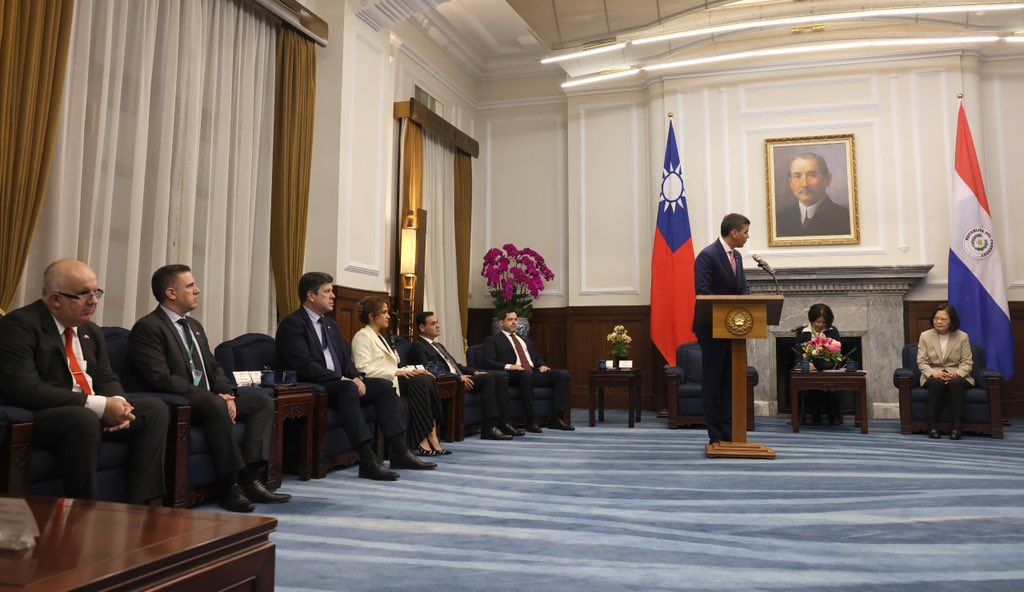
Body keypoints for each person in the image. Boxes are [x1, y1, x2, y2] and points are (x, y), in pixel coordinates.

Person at [0, 259, 167, 504]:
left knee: (155, 410)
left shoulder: (90, 330)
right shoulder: (19, 326)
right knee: (83, 419)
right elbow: (26, 389)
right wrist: (99, 406)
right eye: (83, 294)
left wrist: (118, 403)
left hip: (87, 409)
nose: (94, 301)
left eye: (95, 292)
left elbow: (106, 376)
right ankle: (85, 511)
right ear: (56, 299)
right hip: (46, 413)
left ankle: (143, 506)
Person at [128, 264, 290, 512]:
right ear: (171, 293)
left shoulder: (194, 326)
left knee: (261, 401)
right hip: (179, 401)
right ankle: (230, 487)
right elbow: (159, 377)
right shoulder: (148, 327)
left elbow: (213, 366)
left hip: (210, 399)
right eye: (190, 285)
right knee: (215, 404)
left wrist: (228, 393)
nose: (197, 290)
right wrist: (214, 398)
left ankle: (251, 476)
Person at [275, 272, 435, 477]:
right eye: (327, 291)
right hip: (314, 384)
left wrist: (356, 376)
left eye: (332, 291)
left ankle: (400, 452)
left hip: (340, 383)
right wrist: (344, 379)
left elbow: (345, 359)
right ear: (311, 296)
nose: (333, 295)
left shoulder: (331, 325)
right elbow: (305, 365)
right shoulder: (292, 324)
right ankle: (367, 460)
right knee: (349, 387)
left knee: (383, 386)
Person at [351, 295, 447, 456]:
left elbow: (393, 364)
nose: (388, 316)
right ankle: (424, 437)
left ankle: (430, 434)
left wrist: (411, 370)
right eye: (384, 312)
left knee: (426, 377)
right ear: (371, 317)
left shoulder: (380, 336)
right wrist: (397, 372)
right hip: (381, 382)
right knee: (423, 381)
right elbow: (363, 369)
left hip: (393, 378)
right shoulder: (362, 337)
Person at [409, 311, 523, 441]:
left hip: (459, 378)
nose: (438, 326)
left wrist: (474, 372)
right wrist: (458, 377)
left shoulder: (438, 345)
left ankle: (502, 423)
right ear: (422, 328)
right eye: (433, 323)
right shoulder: (418, 347)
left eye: (438, 322)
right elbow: (428, 370)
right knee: (488, 378)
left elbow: (456, 365)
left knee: (498, 376)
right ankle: (489, 428)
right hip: (449, 382)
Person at [694, 213, 751, 445]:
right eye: (745, 232)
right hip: (712, 329)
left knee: (730, 384)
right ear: (734, 232)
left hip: (735, 332)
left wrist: (746, 305)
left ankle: (730, 433)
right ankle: (715, 435)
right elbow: (704, 293)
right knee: (713, 384)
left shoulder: (737, 256)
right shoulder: (707, 256)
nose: (748, 237)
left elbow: (743, 288)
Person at [481, 309, 574, 432]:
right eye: (510, 319)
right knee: (526, 375)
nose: (514, 322)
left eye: (515, 319)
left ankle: (556, 419)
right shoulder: (493, 340)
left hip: (532, 372)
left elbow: (536, 357)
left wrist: (542, 365)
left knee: (562, 374)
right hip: (512, 375)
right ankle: (531, 421)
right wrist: (510, 366)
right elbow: (488, 362)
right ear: (501, 323)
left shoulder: (525, 339)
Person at [917, 303, 973, 441]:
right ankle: (932, 426)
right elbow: (922, 362)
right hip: (933, 373)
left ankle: (957, 426)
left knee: (955, 383)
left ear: (952, 321)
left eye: (943, 319)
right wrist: (934, 373)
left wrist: (956, 374)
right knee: (936, 383)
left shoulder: (962, 337)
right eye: (936, 318)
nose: (938, 322)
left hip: (956, 374)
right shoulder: (925, 336)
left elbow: (967, 363)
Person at [776, 153, 851, 237]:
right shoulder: (779, 219)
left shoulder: (846, 218)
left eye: (812, 175)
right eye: (797, 176)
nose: (804, 184)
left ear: (828, 180)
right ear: (791, 183)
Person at [796, 303, 842, 425]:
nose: (821, 325)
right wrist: (808, 365)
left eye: (824, 322)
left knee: (827, 384)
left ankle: (832, 415)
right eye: (818, 322)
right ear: (812, 320)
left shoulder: (833, 331)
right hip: (810, 372)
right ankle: (816, 416)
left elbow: (837, 353)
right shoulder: (804, 333)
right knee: (815, 384)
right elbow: (798, 357)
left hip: (829, 370)